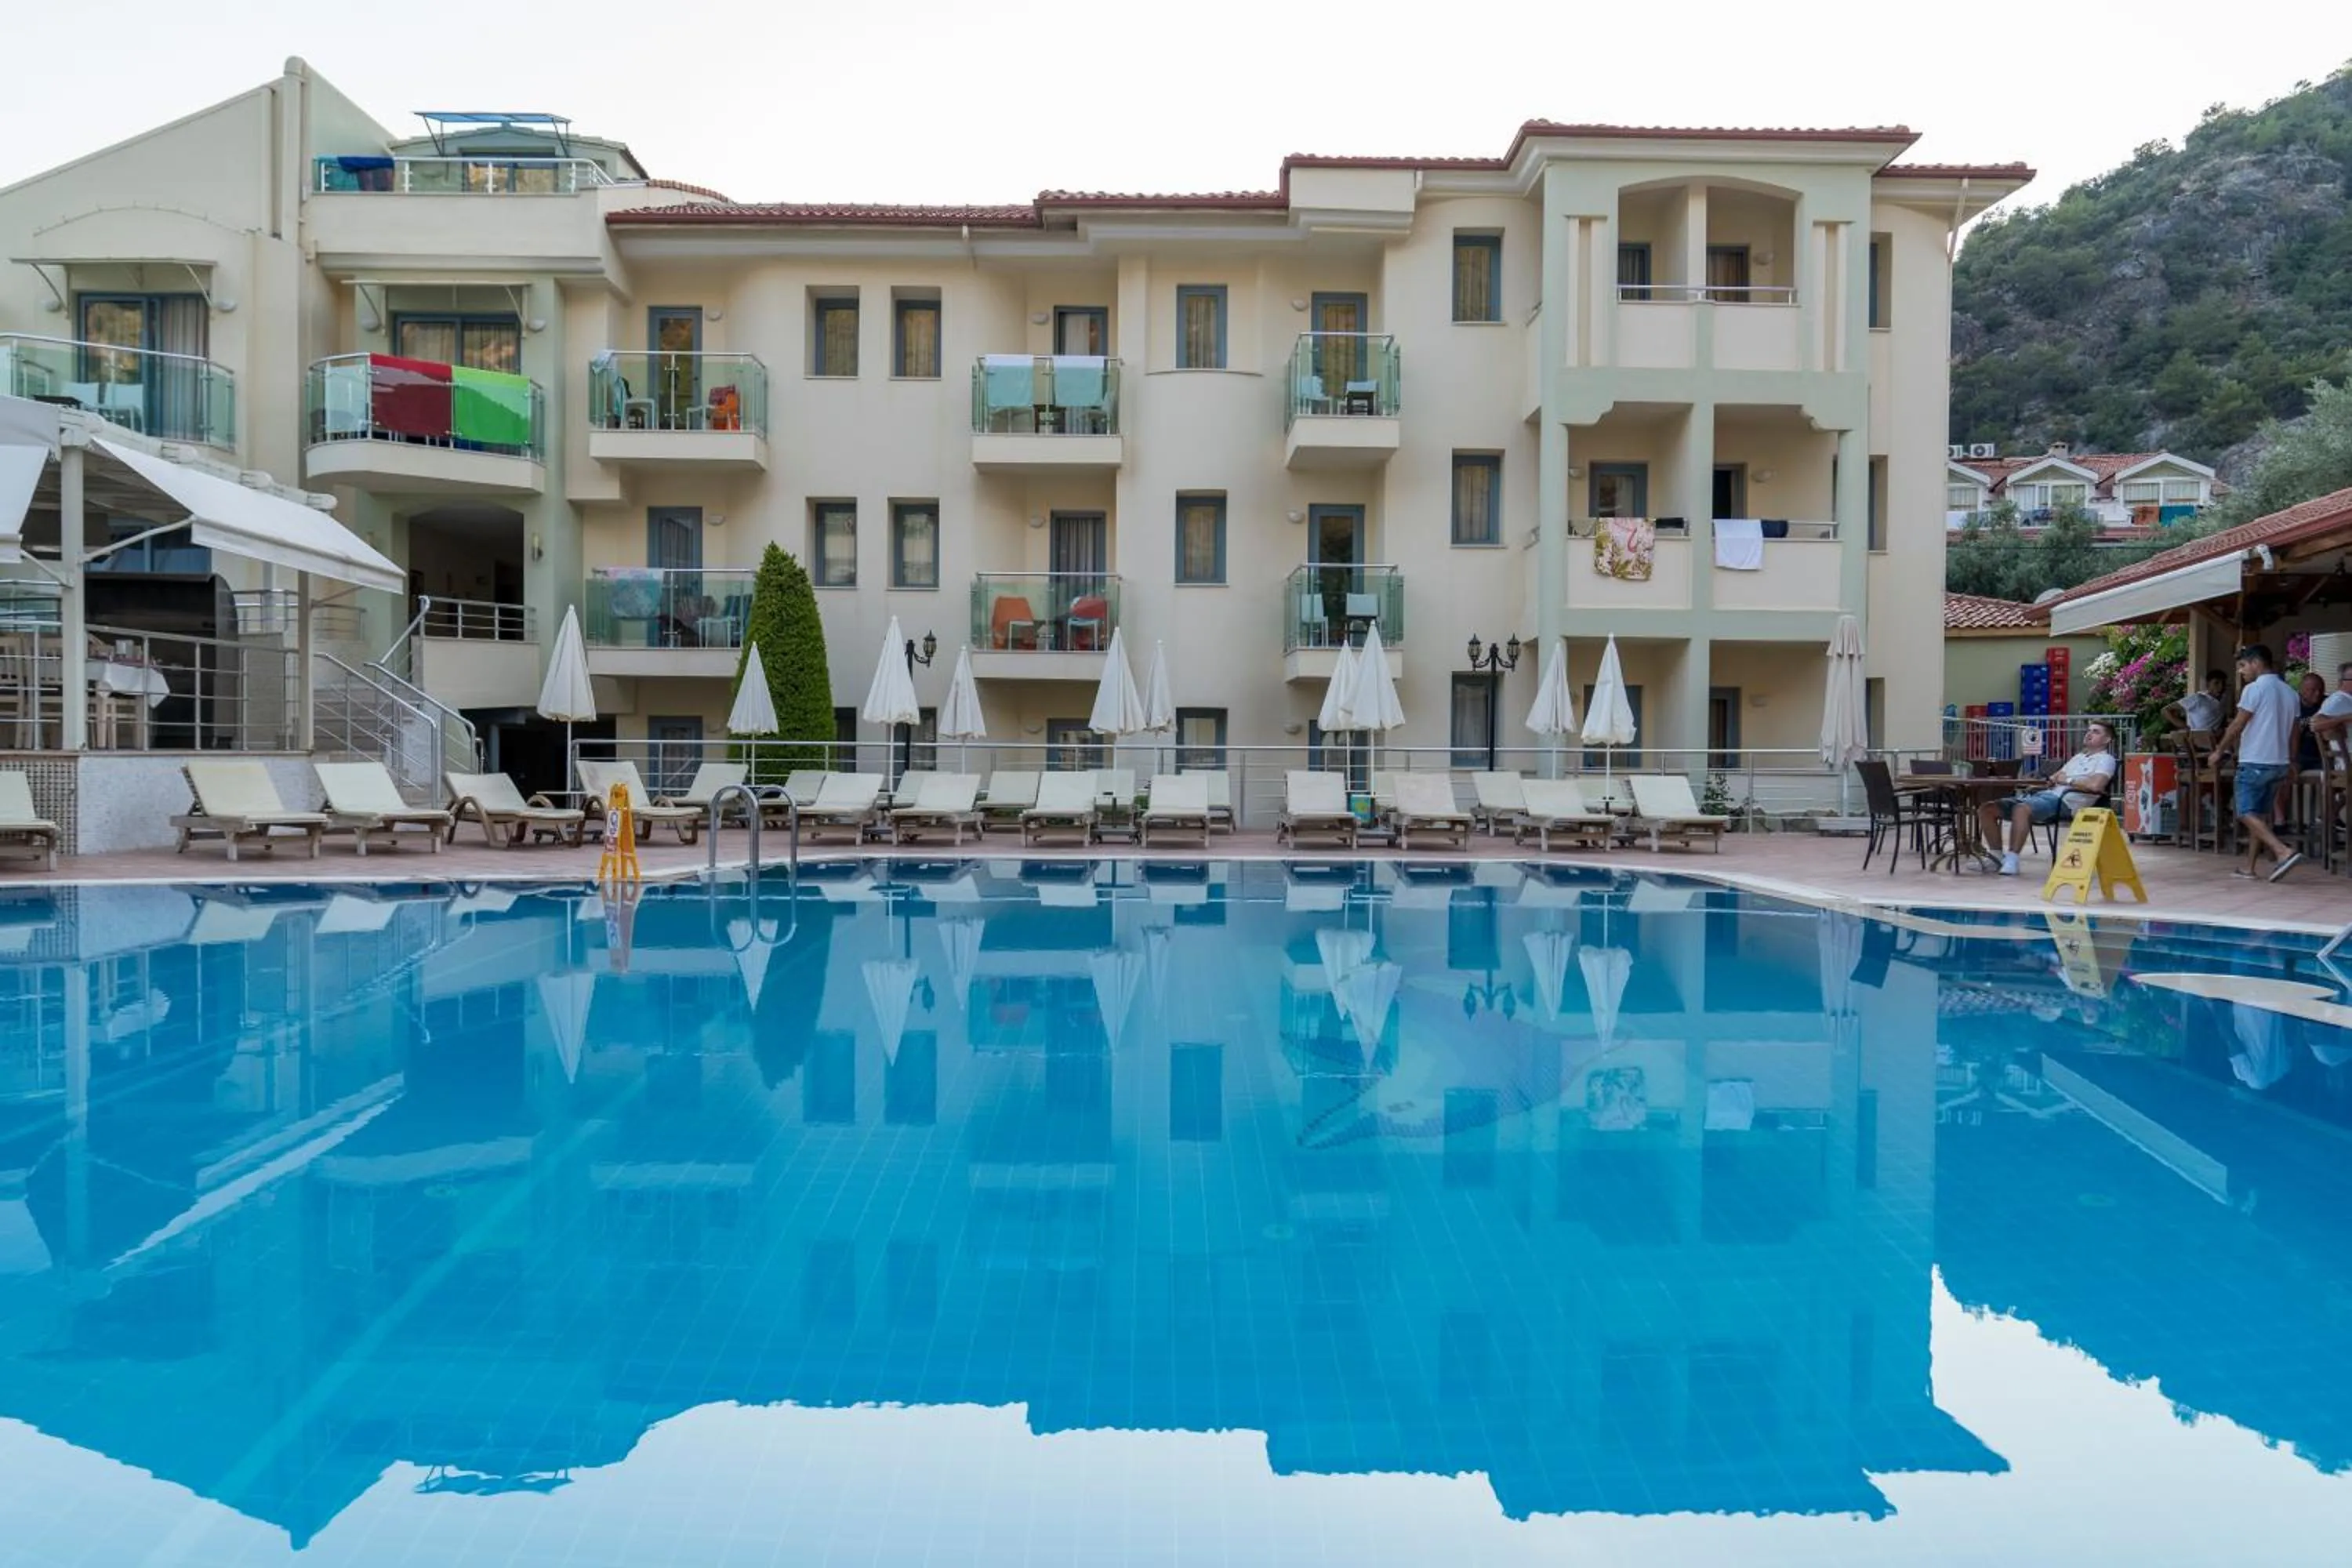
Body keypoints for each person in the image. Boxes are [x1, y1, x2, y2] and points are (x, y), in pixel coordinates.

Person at [1978, 720, 2118, 876]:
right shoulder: (2078, 757)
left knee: (2021, 809)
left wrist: (2069, 780)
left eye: (2096, 732)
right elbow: (2054, 778)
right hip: (2046, 796)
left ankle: (2012, 860)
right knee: (1987, 808)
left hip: (2066, 803)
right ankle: (1996, 857)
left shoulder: (2106, 760)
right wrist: (2038, 781)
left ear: (2107, 740)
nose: (2089, 734)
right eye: (2089, 730)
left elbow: (2096, 786)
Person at [2213, 643, 2304, 880]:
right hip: (2279, 764)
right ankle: (2249, 868)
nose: (2241, 672)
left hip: (2255, 761)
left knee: (2244, 813)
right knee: (2260, 816)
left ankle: (2282, 851)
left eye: (2243, 666)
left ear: (2256, 663)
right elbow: (2295, 732)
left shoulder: (2254, 690)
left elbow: (2238, 724)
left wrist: (2219, 750)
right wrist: (2292, 760)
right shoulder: (2290, 692)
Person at [2164, 669, 2229, 735]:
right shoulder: (2198, 698)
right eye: (2216, 683)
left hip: (2213, 742)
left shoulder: (2224, 702)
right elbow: (2166, 710)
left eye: (2223, 683)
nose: (2221, 687)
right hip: (2195, 742)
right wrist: (2185, 726)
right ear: (2208, 684)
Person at [2297, 670, 2328, 771]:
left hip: (2323, 756)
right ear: (2302, 690)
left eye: (2321, 690)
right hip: (2298, 756)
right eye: (2313, 690)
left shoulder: (2328, 704)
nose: (2318, 693)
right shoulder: (2291, 704)